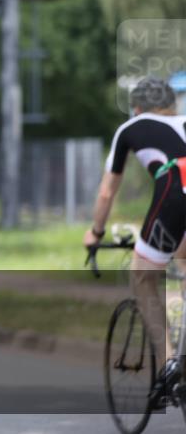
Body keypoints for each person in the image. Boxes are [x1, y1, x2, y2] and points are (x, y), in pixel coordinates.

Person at [84, 77, 186, 406]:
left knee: (143, 275)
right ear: (172, 104)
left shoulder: (132, 126)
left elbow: (106, 191)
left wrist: (95, 233)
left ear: (137, 108)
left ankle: (172, 362)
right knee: (182, 262)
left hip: (178, 185)